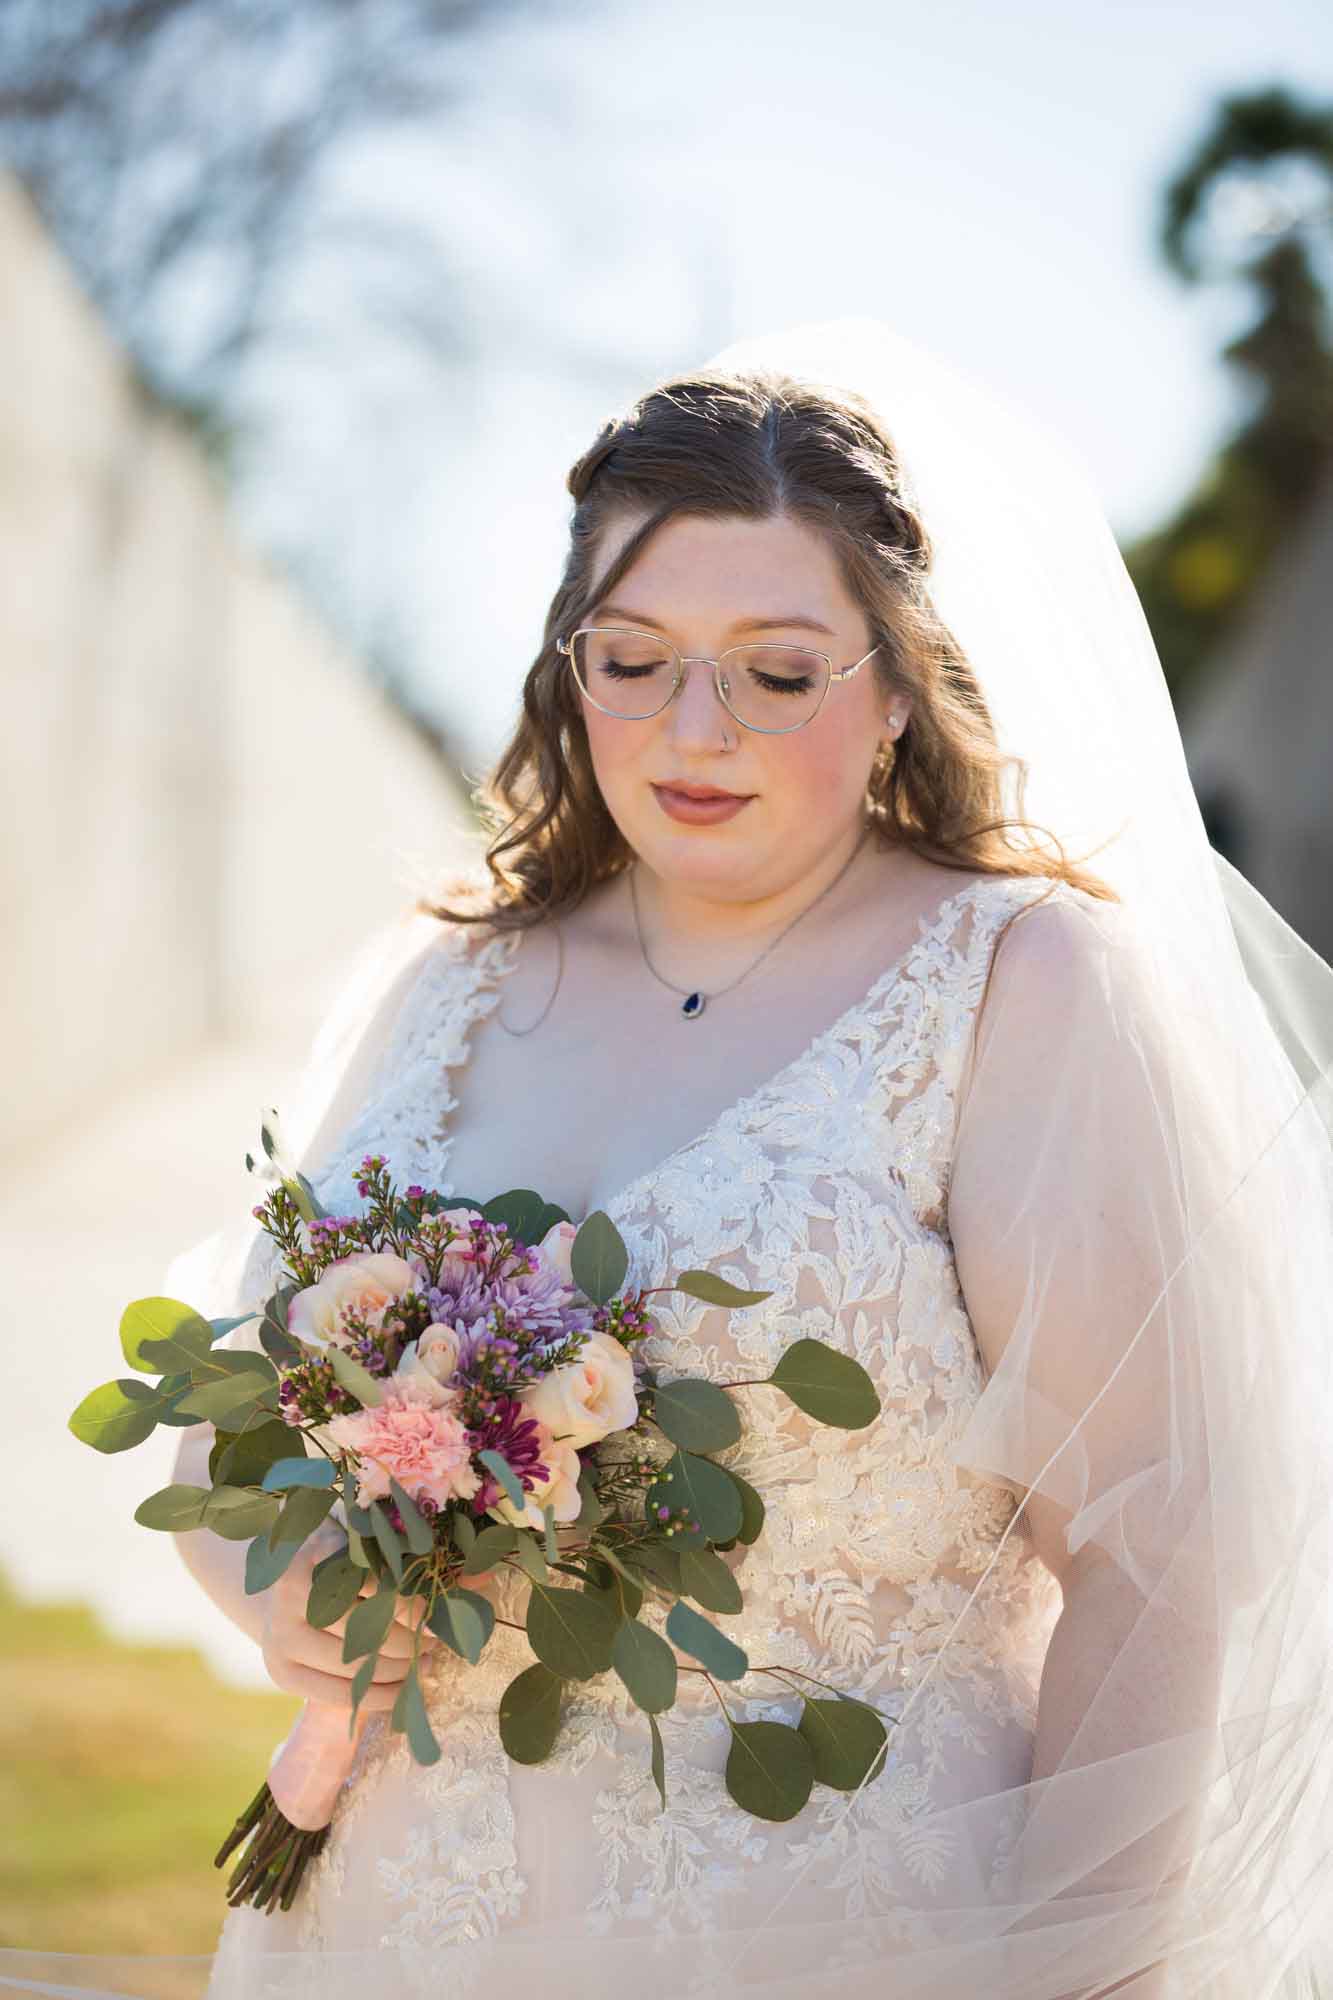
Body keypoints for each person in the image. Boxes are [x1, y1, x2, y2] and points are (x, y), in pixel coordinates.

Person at [6, 319, 1333, 2000]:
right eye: (633, 657)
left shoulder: (1019, 988)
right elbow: (234, 1391)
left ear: (895, 686)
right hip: (397, 1918)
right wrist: (288, 1594)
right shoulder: (451, 974)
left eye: (776, 671)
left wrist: (1080, 1978)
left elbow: (1160, 1558)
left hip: (835, 1925)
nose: (691, 727)